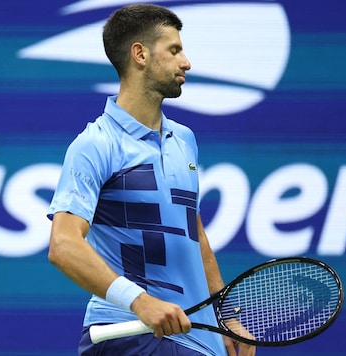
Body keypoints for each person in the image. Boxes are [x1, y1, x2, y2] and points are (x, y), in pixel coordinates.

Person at [47, 4, 255, 355]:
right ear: (140, 55)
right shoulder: (96, 144)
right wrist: (139, 301)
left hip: (197, 342)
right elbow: (63, 244)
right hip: (131, 333)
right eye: (174, 50)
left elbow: (195, 236)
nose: (185, 62)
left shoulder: (185, 140)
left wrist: (223, 312)